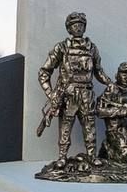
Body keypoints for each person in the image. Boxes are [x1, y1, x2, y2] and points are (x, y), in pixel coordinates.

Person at [37, 12, 112, 162]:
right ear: (69, 29)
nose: (78, 28)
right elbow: (44, 72)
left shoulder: (92, 48)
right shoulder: (62, 47)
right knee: (65, 127)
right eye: (74, 25)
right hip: (68, 95)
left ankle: (92, 157)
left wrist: (110, 83)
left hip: (87, 94)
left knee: (90, 126)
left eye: (81, 25)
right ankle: (62, 158)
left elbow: (99, 71)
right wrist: (51, 95)